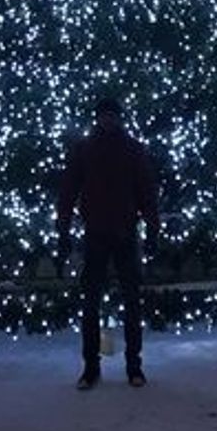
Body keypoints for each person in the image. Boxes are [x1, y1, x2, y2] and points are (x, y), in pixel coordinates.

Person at [56, 96, 159, 391]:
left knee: (131, 303)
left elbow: (146, 191)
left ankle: (133, 366)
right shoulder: (86, 150)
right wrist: (63, 228)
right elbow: (69, 189)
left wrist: (152, 229)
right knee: (91, 304)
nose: (108, 120)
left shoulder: (131, 150)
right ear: (98, 118)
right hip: (97, 233)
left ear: (118, 118)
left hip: (125, 232)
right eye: (104, 116)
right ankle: (91, 367)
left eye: (112, 116)